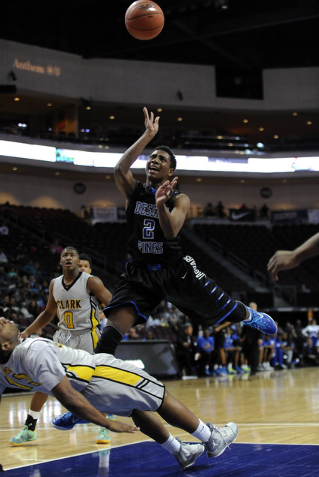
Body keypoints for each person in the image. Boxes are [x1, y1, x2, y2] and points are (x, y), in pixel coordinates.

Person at [55, 107, 277, 428]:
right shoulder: (135, 191)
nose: (154, 159)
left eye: (161, 158)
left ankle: (250, 316)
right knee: (108, 337)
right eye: (152, 156)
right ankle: (87, 403)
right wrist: (147, 137)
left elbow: (171, 230)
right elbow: (119, 169)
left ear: (171, 172)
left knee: (224, 309)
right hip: (140, 273)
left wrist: (161, 204)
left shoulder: (180, 198)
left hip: (175, 270)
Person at [0, 317, 238, 470]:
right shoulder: (33, 349)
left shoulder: (3, 369)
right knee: (160, 395)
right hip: (98, 375)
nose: (3, 319)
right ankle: (210, 438)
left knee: (136, 409)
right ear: (4, 345)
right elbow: (67, 398)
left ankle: (181, 451)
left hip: (90, 392)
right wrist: (106, 423)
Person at [9, 247, 113, 446]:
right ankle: (29, 428)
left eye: (72, 255)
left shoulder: (91, 281)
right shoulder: (54, 284)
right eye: (64, 255)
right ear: (59, 261)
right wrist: (27, 331)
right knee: (43, 378)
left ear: (78, 261)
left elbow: (113, 305)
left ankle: (104, 425)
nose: (68, 258)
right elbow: (48, 313)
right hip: (63, 335)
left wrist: (112, 331)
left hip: (87, 336)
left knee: (95, 382)